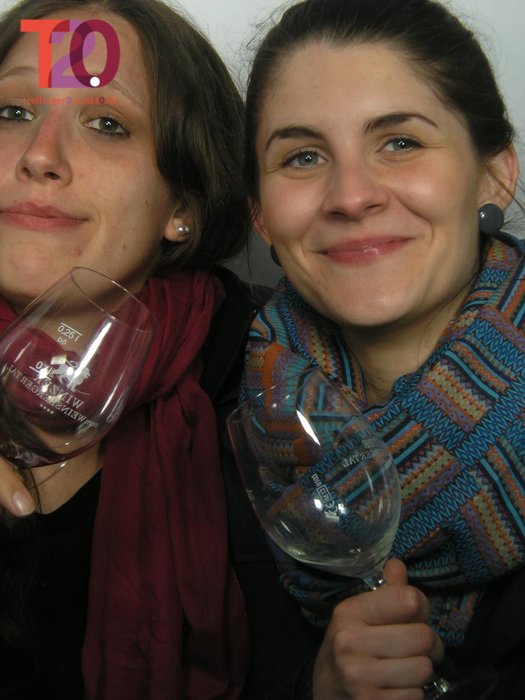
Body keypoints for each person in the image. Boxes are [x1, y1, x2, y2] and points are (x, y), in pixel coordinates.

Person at [241, 0, 525, 697]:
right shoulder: (226, 413)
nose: (351, 196)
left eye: (399, 142)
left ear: (494, 174)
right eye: (303, 156)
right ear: (260, 216)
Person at [0, 0, 258, 697]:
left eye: (106, 123)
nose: (39, 156)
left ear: (183, 207)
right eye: (12, 112)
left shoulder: (275, 383)